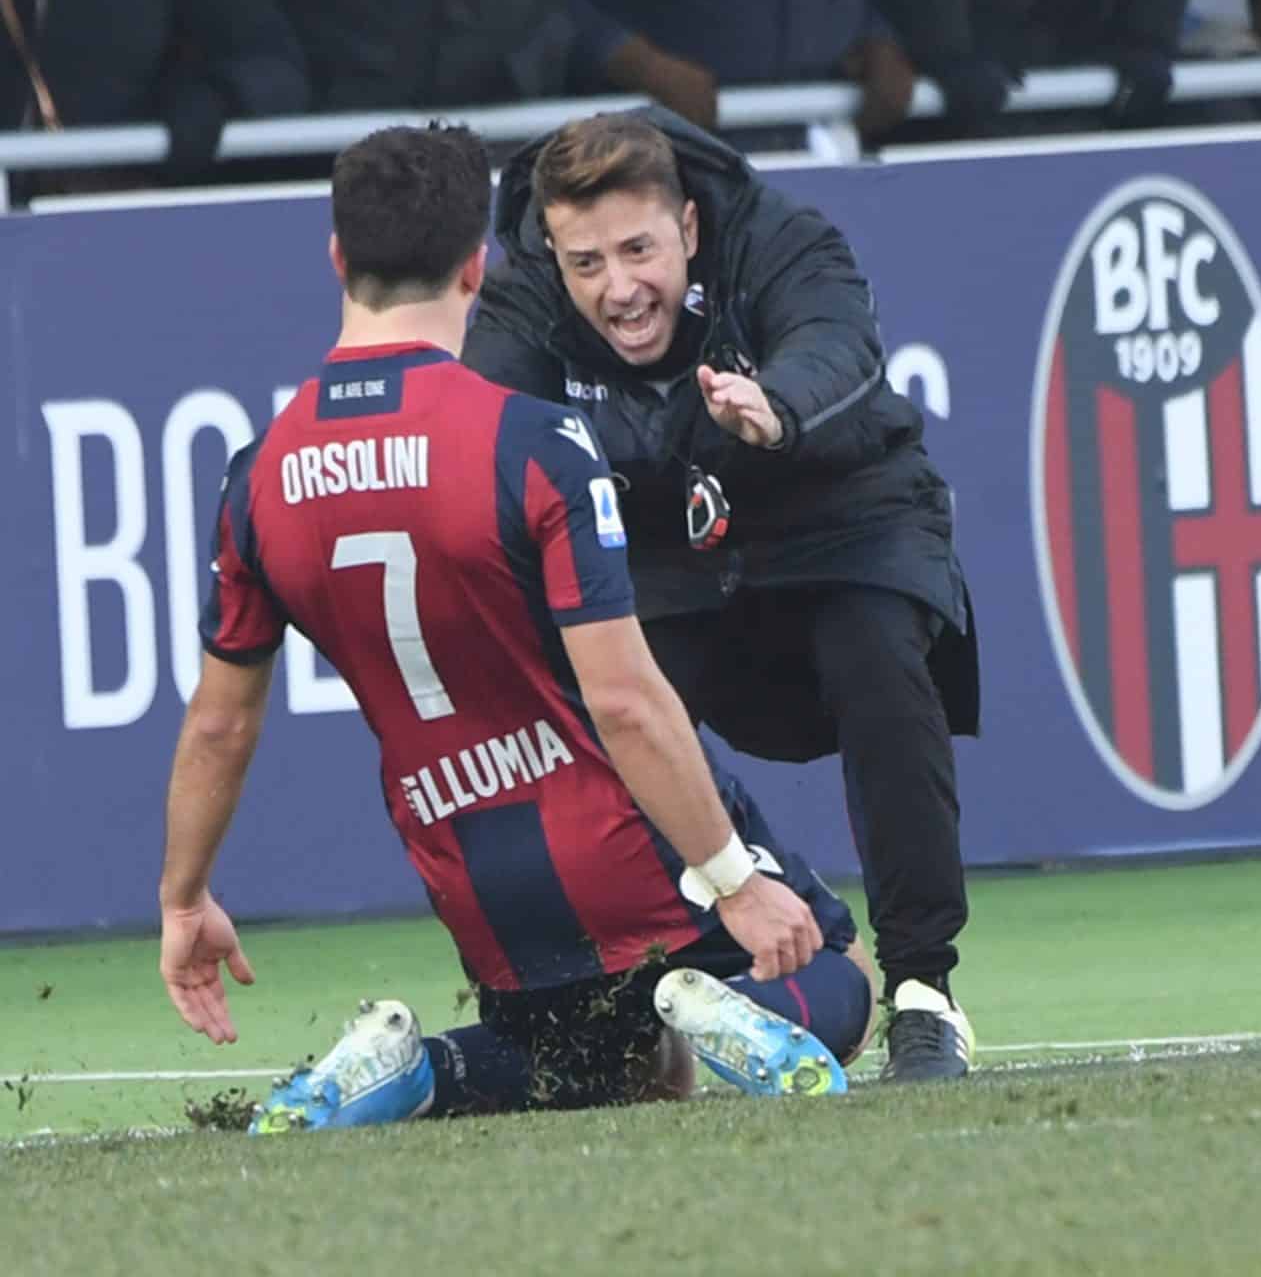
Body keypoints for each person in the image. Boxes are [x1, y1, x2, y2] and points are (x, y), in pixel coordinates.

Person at [157, 122, 880, 1132]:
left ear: (337, 258)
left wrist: (185, 899)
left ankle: (411, 1065)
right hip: (621, 841)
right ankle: (708, 997)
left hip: (468, 865)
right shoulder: (532, 441)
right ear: (477, 264)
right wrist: (731, 880)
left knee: (577, 1072)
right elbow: (625, 700)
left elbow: (220, 723)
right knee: (838, 978)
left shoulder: (259, 472)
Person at [461, 108, 979, 1081]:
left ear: (688, 228)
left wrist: (774, 408)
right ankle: (604, 1000)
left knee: (876, 654)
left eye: (638, 250)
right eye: (587, 263)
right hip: (672, 558)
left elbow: (838, 346)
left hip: (839, 517)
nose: (618, 289)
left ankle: (921, 992)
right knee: (596, 704)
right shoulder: (522, 292)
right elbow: (487, 431)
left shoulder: (780, 233)